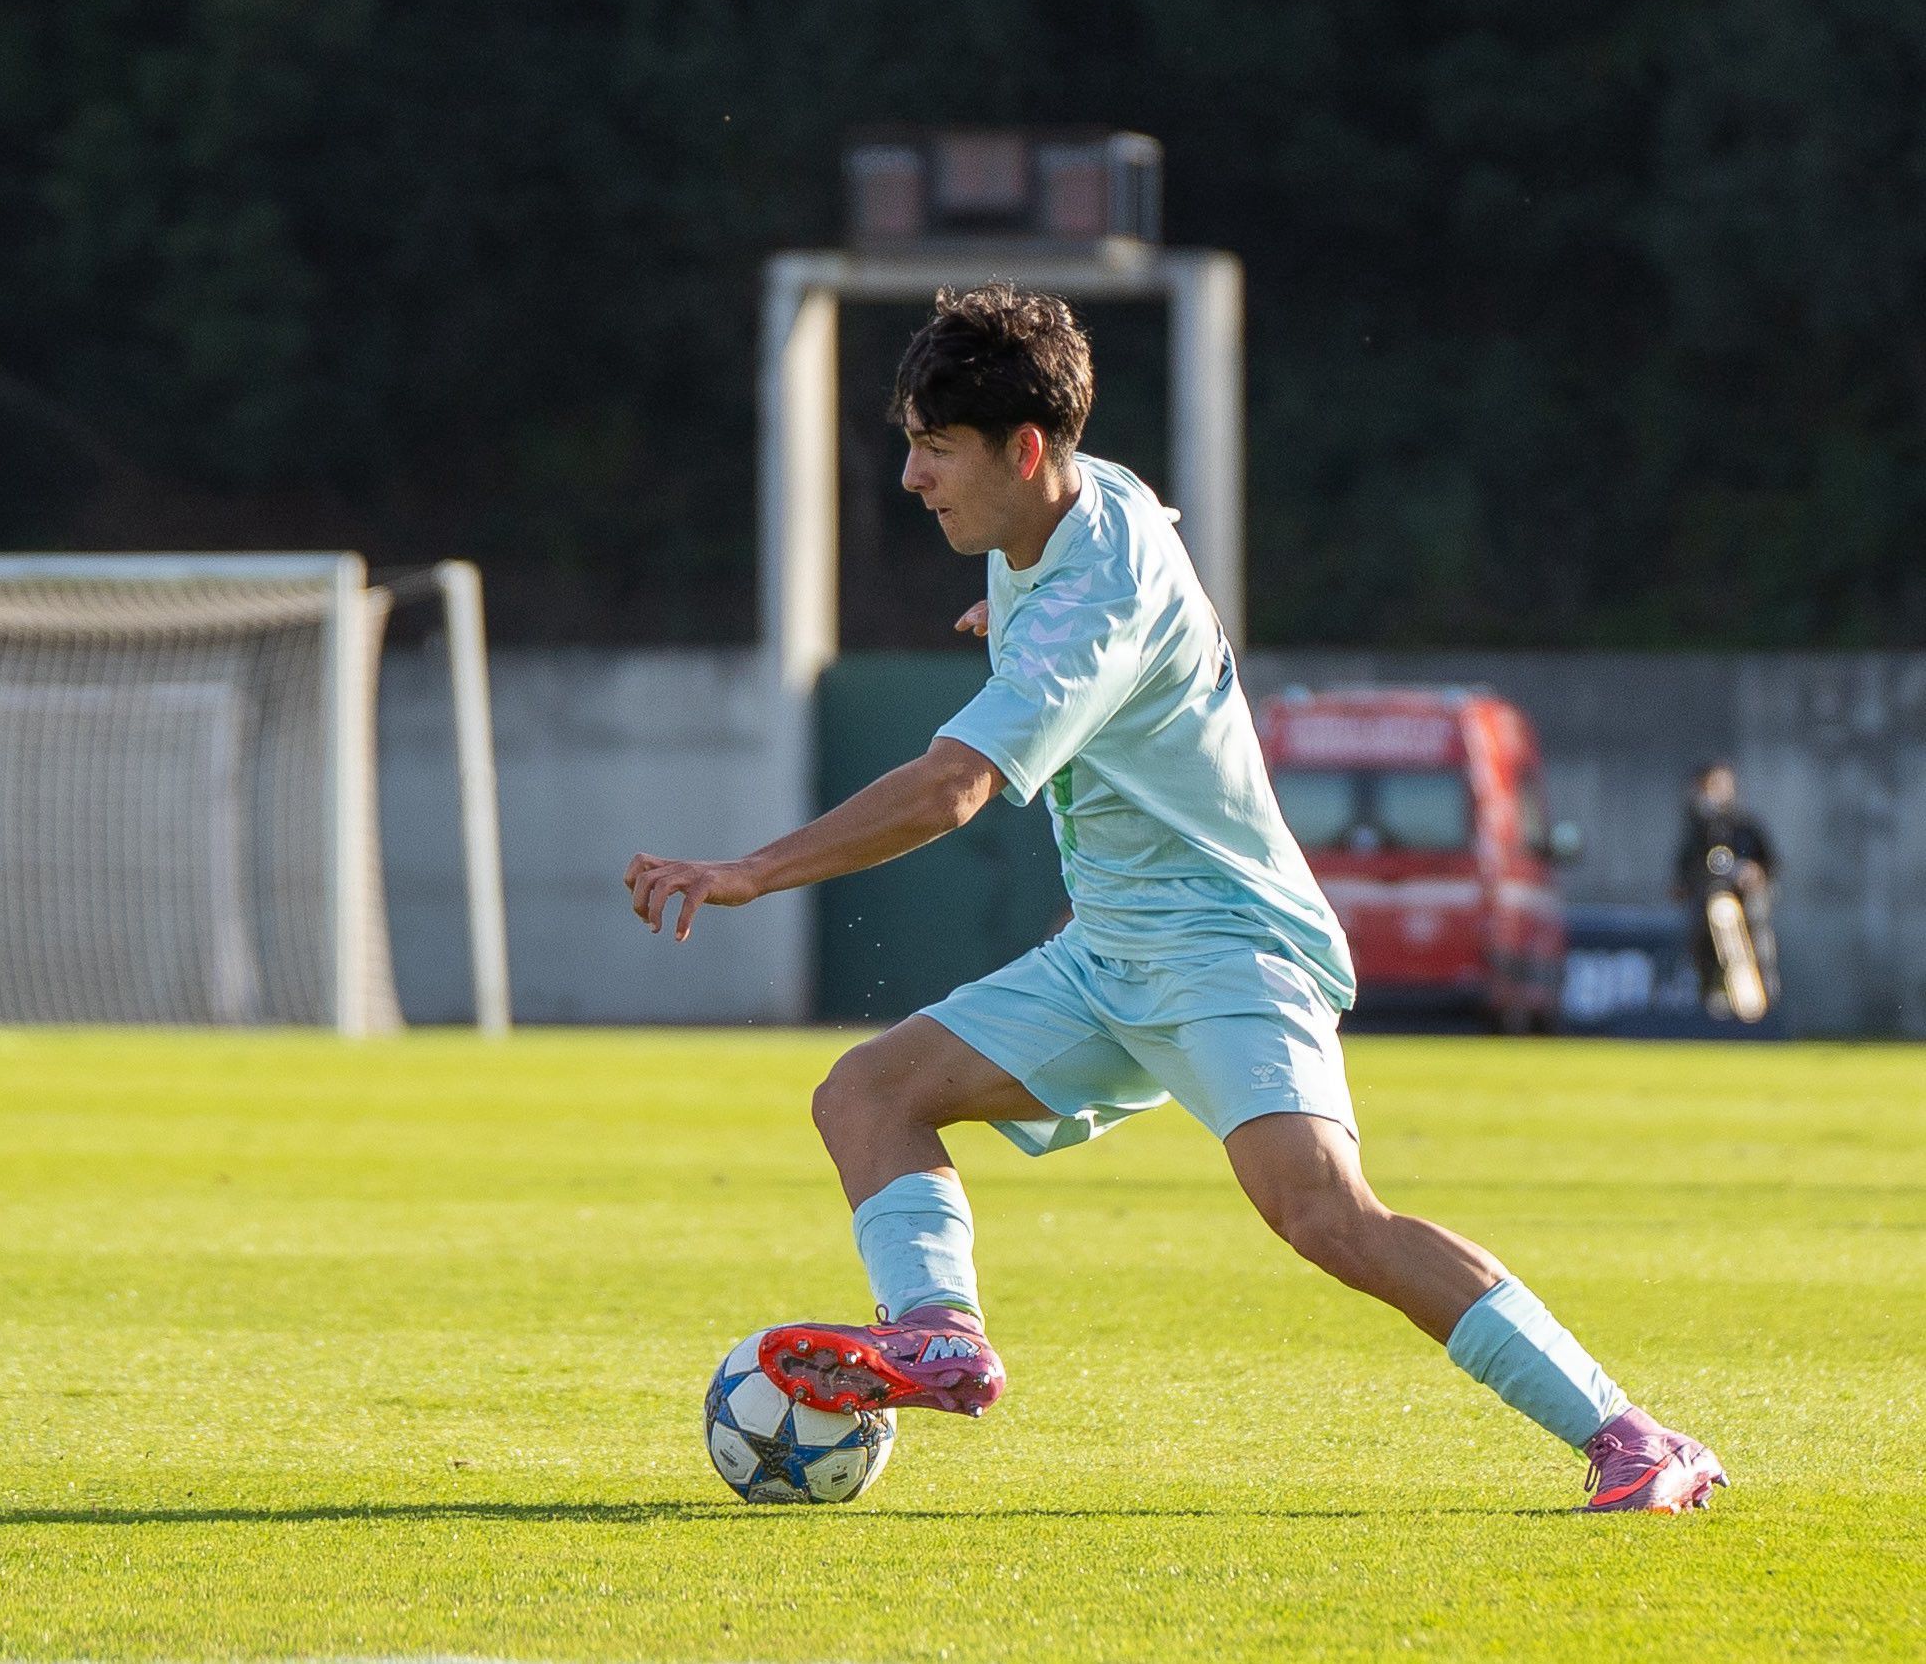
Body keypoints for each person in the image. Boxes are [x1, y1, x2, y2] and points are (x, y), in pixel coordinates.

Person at [622, 284, 1725, 1513]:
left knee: (1325, 1215)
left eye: (935, 448)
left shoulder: (1090, 606)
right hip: (1109, 951)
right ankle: (938, 1332)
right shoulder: (1082, 503)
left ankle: (1635, 1436)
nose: (912, 477)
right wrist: (1019, 614)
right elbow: (1148, 523)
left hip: (1227, 946)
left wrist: (749, 871)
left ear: (1023, 450)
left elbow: (951, 789)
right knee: (866, 1093)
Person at [1676, 762, 1779, 1014]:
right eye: (1713, 785)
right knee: (1711, 941)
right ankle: (1713, 1000)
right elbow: (1685, 873)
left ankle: (1761, 1004)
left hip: (1747, 908)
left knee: (1757, 948)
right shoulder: (1698, 831)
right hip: (1709, 910)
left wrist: (1752, 874)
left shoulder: (1746, 827)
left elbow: (1769, 865)